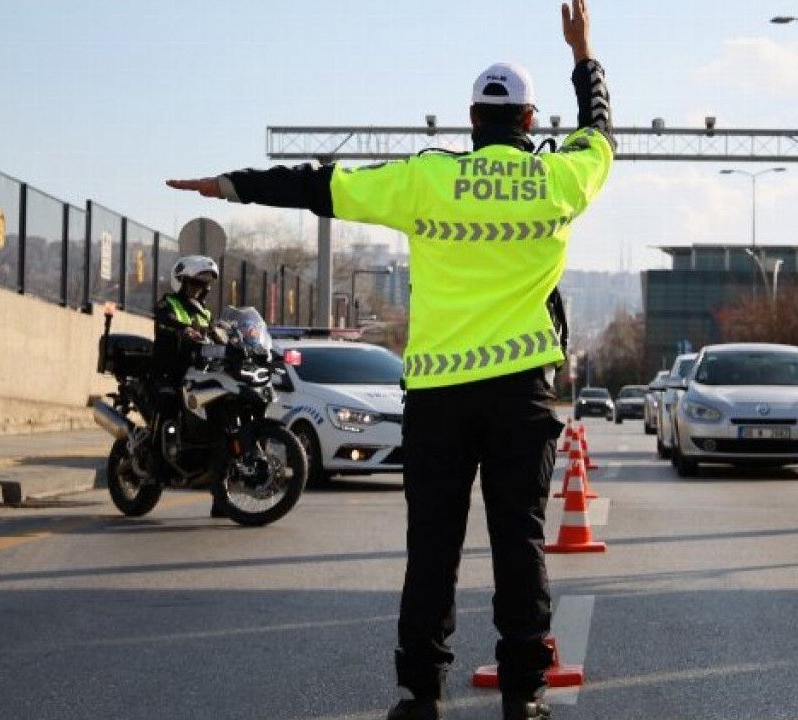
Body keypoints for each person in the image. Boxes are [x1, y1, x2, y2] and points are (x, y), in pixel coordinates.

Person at [166, 2, 612, 716]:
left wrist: (229, 183)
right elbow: (598, 131)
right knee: (518, 540)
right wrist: (583, 52)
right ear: (530, 123)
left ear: (472, 119)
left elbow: (320, 185)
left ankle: (419, 694)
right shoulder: (561, 181)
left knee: (431, 548)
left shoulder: (425, 178)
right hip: (519, 394)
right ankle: (524, 695)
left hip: (438, 396)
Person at [152, 254, 227, 518]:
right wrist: (184, 328)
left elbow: (215, 333)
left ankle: (222, 499)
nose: (198, 289)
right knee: (168, 406)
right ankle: (157, 464)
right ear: (181, 283)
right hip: (169, 372)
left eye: (202, 286)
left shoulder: (204, 311)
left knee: (219, 430)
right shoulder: (168, 303)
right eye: (193, 284)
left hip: (198, 375)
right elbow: (163, 317)